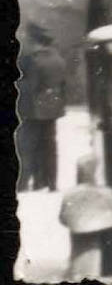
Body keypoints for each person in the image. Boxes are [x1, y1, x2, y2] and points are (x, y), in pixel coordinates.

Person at [17, 22, 66, 193]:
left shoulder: (34, 60)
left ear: (34, 40)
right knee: (50, 147)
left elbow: (32, 87)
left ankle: (22, 185)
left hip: (33, 110)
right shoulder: (58, 58)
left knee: (26, 146)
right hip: (53, 110)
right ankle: (49, 183)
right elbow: (62, 86)